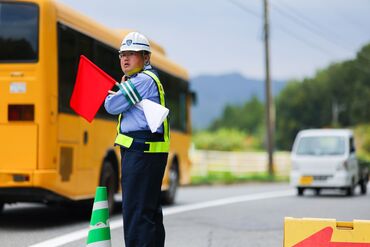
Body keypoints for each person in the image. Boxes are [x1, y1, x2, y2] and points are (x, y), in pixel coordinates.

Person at [104, 32, 169, 247]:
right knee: (148, 212)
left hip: (141, 153)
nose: (125, 59)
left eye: (132, 54)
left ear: (146, 58)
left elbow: (112, 106)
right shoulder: (144, 80)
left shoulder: (142, 81)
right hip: (146, 153)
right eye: (122, 54)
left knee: (135, 212)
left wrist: (114, 94)